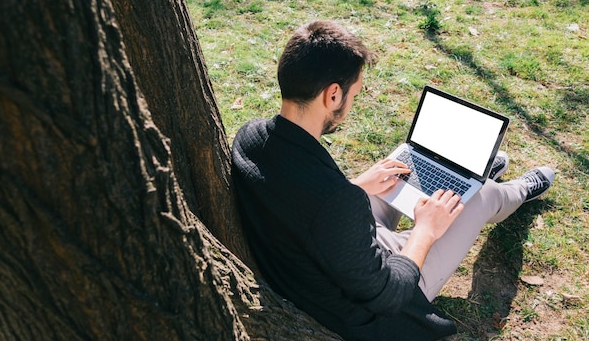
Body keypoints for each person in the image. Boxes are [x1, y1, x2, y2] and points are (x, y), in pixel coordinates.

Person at [231, 20, 555, 341]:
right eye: (354, 93)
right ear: (332, 95)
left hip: (327, 254)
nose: (351, 103)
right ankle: (514, 190)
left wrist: (356, 186)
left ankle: (472, 169)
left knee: (394, 174)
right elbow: (390, 296)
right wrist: (426, 230)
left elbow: (306, 205)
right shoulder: (335, 203)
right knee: (480, 196)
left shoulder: (251, 138)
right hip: (375, 299)